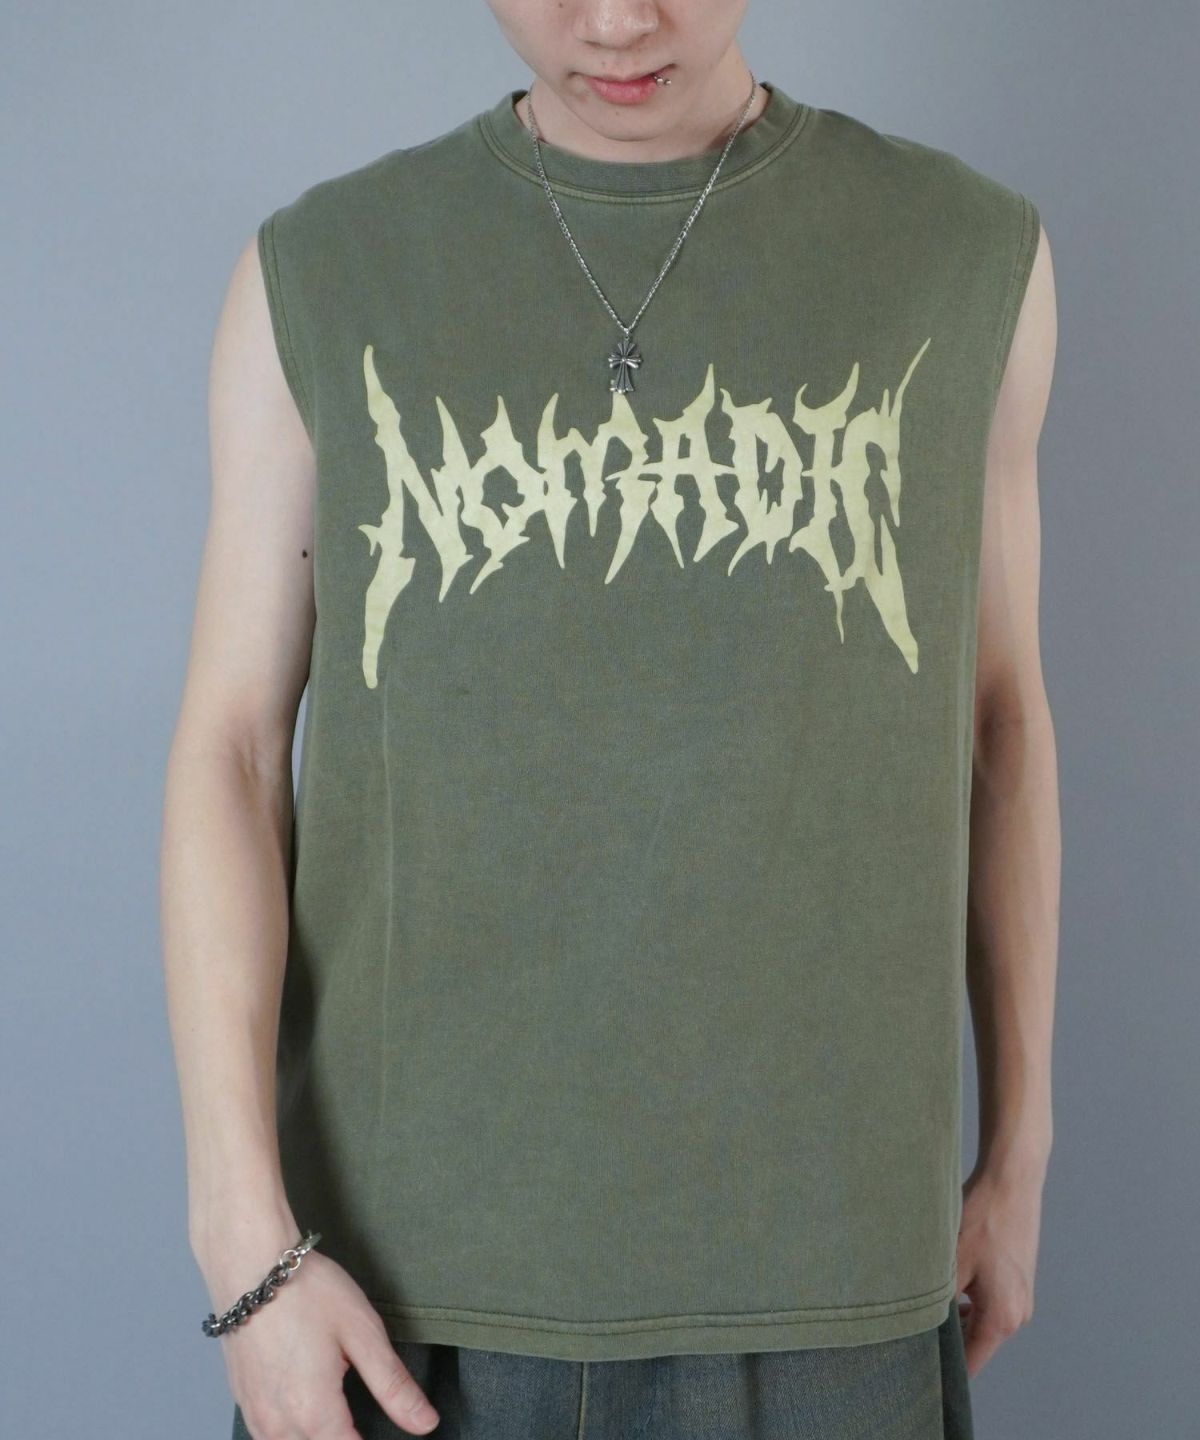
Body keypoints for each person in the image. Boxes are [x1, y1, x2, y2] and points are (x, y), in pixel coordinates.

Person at [160, 2, 1060, 1437]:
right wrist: (240, 1243)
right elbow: (231, 751)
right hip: (404, 1296)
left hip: (830, 1277)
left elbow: (999, 723)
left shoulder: (962, 255)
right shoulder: (321, 272)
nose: (621, 18)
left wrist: (1020, 1155)